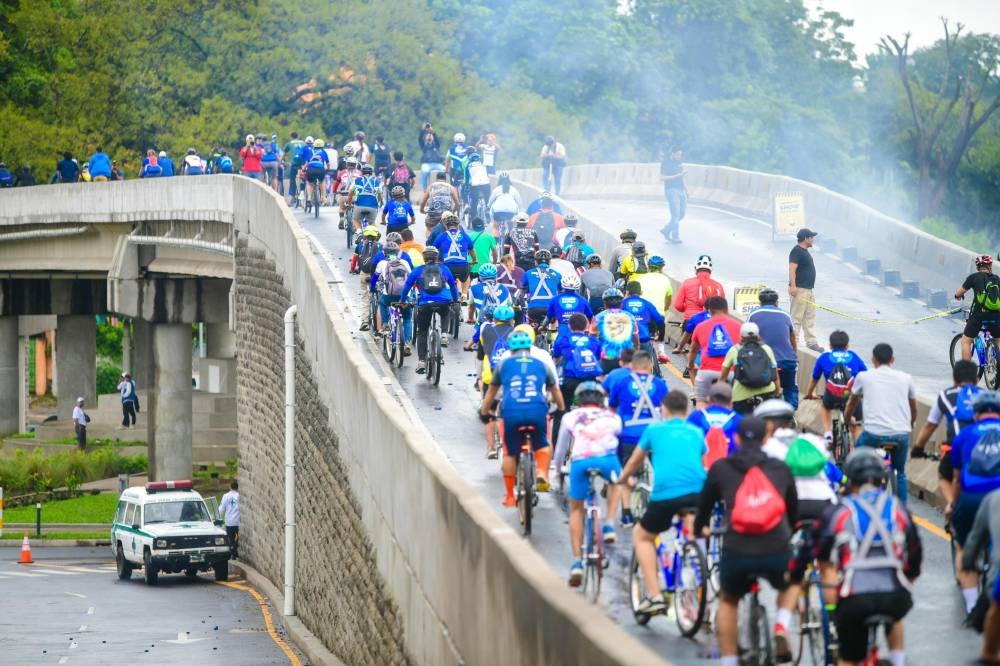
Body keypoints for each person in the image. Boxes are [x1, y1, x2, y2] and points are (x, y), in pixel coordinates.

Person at [695, 416, 799, 665]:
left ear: (737, 439)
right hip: (776, 547)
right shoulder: (780, 468)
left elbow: (704, 509)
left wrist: (701, 530)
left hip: (737, 549)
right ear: (766, 438)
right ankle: (781, 627)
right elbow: (792, 510)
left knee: (729, 600)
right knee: (793, 581)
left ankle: (729, 660)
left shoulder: (721, 468)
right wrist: (788, 533)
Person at [815, 448, 922, 666]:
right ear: (882, 480)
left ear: (850, 481)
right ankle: (898, 661)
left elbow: (821, 551)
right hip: (895, 597)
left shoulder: (841, 511)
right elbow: (915, 551)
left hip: (855, 600)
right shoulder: (898, 508)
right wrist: (908, 578)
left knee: (849, 657)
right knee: (895, 619)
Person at [620, 390, 706, 614]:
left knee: (642, 536)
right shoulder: (696, 432)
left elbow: (634, 462)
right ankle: (700, 586)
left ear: (663, 410)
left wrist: (622, 479)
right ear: (687, 411)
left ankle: (655, 595)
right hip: (697, 493)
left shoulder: (654, 429)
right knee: (693, 532)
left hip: (666, 494)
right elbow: (702, 464)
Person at [479, 330, 565, 505]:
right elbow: (555, 390)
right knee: (542, 443)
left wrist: (484, 412)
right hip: (537, 409)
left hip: (511, 410)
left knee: (510, 451)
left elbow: (491, 394)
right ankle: (541, 473)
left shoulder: (504, 364)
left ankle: (510, 496)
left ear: (511, 349)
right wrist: (561, 409)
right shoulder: (542, 363)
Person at [555, 381, 623, 584]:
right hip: (607, 459)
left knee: (576, 510)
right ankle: (609, 524)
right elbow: (617, 443)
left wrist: (558, 470)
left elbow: (560, 450)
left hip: (580, 461)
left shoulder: (570, 417)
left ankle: (577, 563)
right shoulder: (612, 417)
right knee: (616, 483)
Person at [845, 343, 916, 502]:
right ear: (893, 359)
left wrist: (847, 418)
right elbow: (914, 408)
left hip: (873, 435)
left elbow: (852, 402)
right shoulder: (906, 378)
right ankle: (902, 510)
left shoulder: (864, 377)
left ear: (873, 360)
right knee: (900, 472)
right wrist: (910, 424)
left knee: (857, 458)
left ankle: (854, 499)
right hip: (900, 435)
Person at [950, 391, 1000, 619]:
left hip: (972, 498)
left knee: (963, 547)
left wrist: (952, 504)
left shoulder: (966, 434)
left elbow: (957, 478)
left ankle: (971, 607)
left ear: (976, 413)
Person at [912, 359, 980, 523]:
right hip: (985, 449)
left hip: (957, 448)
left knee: (944, 476)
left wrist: (918, 448)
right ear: (977, 380)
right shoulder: (986, 395)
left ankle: (952, 504)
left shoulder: (946, 395)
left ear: (954, 379)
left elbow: (929, 425)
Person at [607, 350, 668, 527]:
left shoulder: (622, 381)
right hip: (654, 435)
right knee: (660, 469)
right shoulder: (660, 383)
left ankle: (626, 514)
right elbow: (667, 411)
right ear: (650, 366)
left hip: (629, 435)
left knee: (626, 471)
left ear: (631, 366)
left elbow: (612, 410)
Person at [399, 247, 460, 374]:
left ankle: (421, 361)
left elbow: (406, 287)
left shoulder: (418, 270)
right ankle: (443, 335)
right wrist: (455, 300)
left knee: (422, 332)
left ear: (424, 258)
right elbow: (453, 286)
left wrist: (403, 300)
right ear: (436, 257)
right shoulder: (444, 269)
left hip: (425, 303)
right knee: (445, 312)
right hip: (443, 301)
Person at [804, 329, 868, 441]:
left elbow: (815, 379)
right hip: (851, 395)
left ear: (830, 346)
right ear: (847, 346)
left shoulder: (824, 357)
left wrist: (810, 393)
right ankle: (856, 449)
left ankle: (828, 434)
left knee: (825, 407)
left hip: (832, 394)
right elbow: (865, 375)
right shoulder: (853, 356)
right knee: (857, 426)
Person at [962, 487, 1000, 655]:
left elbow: (974, 541)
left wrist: (968, 562)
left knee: (994, 609)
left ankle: (989, 652)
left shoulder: (993, 499)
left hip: (996, 579)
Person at [747, 287, 798, 408]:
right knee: (791, 386)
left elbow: (746, 335)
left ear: (760, 303)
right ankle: (791, 412)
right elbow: (793, 339)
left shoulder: (753, 314)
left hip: (763, 362)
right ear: (777, 302)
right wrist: (794, 355)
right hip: (787, 360)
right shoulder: (786, 315)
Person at [687, 296, 742, 405]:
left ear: (709, 311)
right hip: (731, 373)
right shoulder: (738, 326)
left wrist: (690, 365)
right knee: (731, 401)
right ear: (727, 310)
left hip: (707, 372)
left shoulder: (700, 326)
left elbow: (693, 350)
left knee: (701, 401)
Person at [478, 304, 516, 458]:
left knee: (490, 412)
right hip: (510, 376)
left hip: (490, 377)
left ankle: (491, 447)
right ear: (512, 320)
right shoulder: (516, 333)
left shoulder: (486, 331)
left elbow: (480, 356)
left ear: (494, 318)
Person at [720, 322, 781, 415]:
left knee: (739, 424)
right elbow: (775, 374)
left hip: (741, 396)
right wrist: (777, 391)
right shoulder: (767, 349)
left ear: (741, 336)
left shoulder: (734, 350)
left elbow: (723, 377)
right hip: (766, 393)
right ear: (758, 335)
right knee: (768, 423)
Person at [673, 255, 725, 354]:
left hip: (690, 321)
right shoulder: (718, 286)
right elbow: (722, 307)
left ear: (696, 268)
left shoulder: (687, 283)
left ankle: (690, 366)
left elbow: (678, 305)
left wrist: (688, 308)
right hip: (713, 325)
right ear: (711, 270)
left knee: (689, 352)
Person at [955, 254, 1000, 362]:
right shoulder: (997, 279)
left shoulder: (974, 277)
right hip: (996, 315)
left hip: (979, 315)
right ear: (990, 266)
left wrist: (958, 296)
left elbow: (959, 293)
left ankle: (966, 371)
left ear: (977, 267)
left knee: (966, 341)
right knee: (998, 339)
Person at [371, 241, 413, 352]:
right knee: (408, 318)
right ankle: (407, 344)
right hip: (404, 297)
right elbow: (411, 277)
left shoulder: (382, 263)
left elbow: (374, 279)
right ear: (398, 252)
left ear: (384, 253)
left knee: (382, 303)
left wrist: (372, 288)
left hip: (389, 295)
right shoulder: (404, 262)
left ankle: (385, 325)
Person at [688, 382, 742, 468]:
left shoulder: (695, 416)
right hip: (729, 469)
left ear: (708, 400)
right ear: (731, 402)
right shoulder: (738, 419)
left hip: (700, 467)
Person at [591, 288, 640, 375]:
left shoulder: (598, 317)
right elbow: (636, 343)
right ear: (621, 304)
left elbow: (592, 340)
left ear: (605, 304)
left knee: (598, 382)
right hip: (627, 359)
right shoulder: (630, 317)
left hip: (607, 359)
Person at [789, 228, 822, 352]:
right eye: (811, 237)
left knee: (809, 316)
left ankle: (811, 342)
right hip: (800, 289)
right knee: (797, 317)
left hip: (808, 290)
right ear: (806, 238)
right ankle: (794, 342)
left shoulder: (805, 251)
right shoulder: (797, 251)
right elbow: (792, 269)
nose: (813, 239)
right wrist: (793, 286)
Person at [433, 213, 476, 305]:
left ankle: (447, 295)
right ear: (458, 225)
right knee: (466, 276)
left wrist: (436, 261)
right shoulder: (464, 235)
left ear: (446, 225)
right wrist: (474, 260)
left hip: (447, 266)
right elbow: (472, 250)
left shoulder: (442, 235)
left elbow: (434, 250)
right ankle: (464, 295)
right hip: (462, 266)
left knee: (445, 280)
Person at [622, 281, 664, 363]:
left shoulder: (622, 304)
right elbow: (660, 321)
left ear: (627, 292)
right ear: (641, 292)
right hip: (644, 339)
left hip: (627, 341)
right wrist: (660, 338)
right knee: (646, 367)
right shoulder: (647, 304)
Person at [521, 249, 562, 331]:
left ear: (536, 262)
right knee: (554, 326)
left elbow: (522, 287)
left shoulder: (528, 273)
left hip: (534, 308)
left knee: (530, 329)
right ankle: (552, 338)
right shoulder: (557, 274)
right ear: (549, 262)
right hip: (551, 308)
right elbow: (561, 290)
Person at [546, 273, 593, 340]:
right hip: (580, 333)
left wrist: (542, 326)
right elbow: (591, 317)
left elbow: (548, 317)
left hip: (562, 331)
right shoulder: (583, 300)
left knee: (554, 344)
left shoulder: (555, 299)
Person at [659, 146, 688, 243]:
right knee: (675, 214)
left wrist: (686, 190)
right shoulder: (665, 163)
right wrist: (677, 176)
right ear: (673, 153)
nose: (679, 156)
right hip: (671, 190)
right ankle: (675, 236)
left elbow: (682, 177)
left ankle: (667, 229)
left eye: (680, 154)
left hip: (681, 189)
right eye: (678, 154)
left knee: (682, 213)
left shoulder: (679, 163)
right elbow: (662, 178)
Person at [632, 256, 672, 320]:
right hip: (658, 314)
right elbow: (668, 299)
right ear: (661, 268)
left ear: (648, 267)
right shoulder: (665, 280)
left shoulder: (639, 279)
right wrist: (665, 308)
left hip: (642, 313)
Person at [349, 163, 383, 231]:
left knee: (355, 220)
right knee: (372, 222)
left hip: (359, 205)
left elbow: (350, 192)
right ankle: (374, 237)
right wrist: (378, 202)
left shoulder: (357, 180)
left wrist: (349, 203)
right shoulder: (377, 181)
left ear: (362, 172)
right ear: (372, 172)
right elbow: (380, 196)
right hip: (373, 206)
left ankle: (359, 232)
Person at [488, 171, 522, 235]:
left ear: (499, 180)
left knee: (496, 227)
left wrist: (488, 207)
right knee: (512, 224)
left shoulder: (496, 189)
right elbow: (519, 203)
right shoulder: (514, 189)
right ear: (509, 180)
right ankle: (511, 234)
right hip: (511, 212)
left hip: (498, 212)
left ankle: (496, 242)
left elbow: (490, 202)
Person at [418, 122, 444, 190]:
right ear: (425, 138)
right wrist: (423, 129)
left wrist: (433, 132)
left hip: (437, 164)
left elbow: (437, 139)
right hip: (427, 164)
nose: (429, 136)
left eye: (431, 136)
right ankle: (425, 190)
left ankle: (443, 187)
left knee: (444, 170)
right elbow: (420, 138)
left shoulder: (436, 145)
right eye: (428, 136)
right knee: (424, 172)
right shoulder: (423, 146)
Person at [465, 152, 492, 217]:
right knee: (487, 199)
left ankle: (473, 217)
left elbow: (467, 178)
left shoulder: (468, 166)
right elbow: (487, 176)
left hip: (475, 185)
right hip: (486, 184)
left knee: (474, 202)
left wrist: (466, 187)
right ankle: (488, 210)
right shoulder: (484, 165)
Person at [218, 481, 240, 559]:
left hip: (229, 522)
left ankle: (232, 552)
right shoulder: (239, 496)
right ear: (238, 487)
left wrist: (217, 517)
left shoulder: (225, 496)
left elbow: (221, 509)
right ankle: (234, 549)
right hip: (237, 522)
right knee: (238, 538)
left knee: (230, 538)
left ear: (230, 487)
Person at [283, 131, 306, 202]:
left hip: (294, 162)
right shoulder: (303, 143)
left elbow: (284, 153)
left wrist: (281, 160)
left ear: (291, 137)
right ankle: (303, 192)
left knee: (292, 178)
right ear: (298, 136)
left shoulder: (289, 143)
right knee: (303, 177)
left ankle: (293, 197)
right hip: (303, 162)